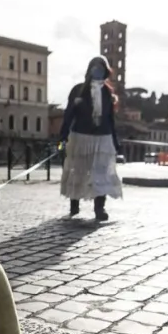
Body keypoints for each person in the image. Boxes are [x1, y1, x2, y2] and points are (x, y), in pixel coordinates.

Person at [58, 55, 123, 221]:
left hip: (103, 138)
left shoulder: (108, 92)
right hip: (81, 137)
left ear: (106, 72)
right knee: (78, 171)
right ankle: (74, 203)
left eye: (101, 69)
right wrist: (63, 135)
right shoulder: (78, 90)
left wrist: (115, 142)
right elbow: (69, 114)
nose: (98, 72)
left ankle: (99, 208)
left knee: (101, 174)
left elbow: (110, 118)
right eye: (95, 68)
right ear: (89, 71)